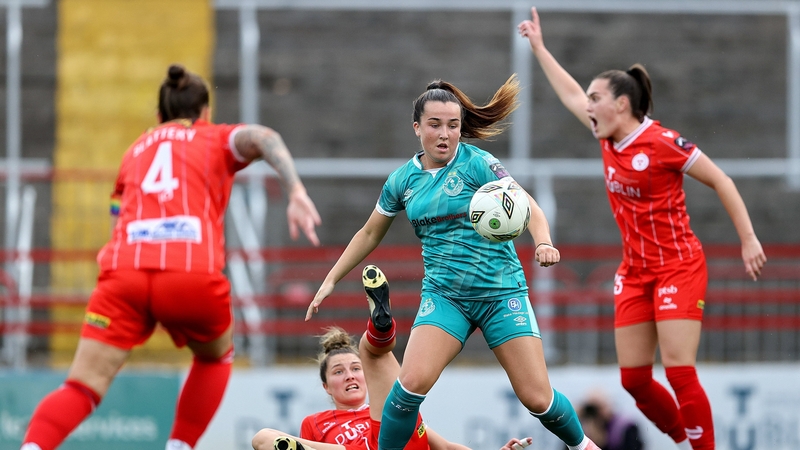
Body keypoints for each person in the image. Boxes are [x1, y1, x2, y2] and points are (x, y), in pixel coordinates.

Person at [19, 64, 322, 450]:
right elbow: (264, 137)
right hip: (190, 273)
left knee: (82, 386)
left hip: (124, 273)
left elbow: (117, 215)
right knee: (215, 357)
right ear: (205, 113)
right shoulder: (213, 137)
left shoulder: (134, 152)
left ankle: (32, 446)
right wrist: (294, 189)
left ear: (160, 116)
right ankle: (179, 446)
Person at [518, 8, 767, 450]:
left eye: (596, 98)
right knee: (633, 378)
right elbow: (570, 93)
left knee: (678, 369)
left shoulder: (662, 143)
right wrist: (539, 48)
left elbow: (721, 180)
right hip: (634, 272)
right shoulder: (606, 135)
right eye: (590, 99)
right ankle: (682, 436)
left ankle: (701, 446)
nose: (587, 105)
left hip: (678, 267)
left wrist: (748, 238)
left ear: (621, 105)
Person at [306, 76, 599, 450]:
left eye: (453, 125)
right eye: (435, 125)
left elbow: (528, 208)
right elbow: (368, 234)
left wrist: (543, 242)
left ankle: (584, 447)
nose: (445, 134)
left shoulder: (478, 164)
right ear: (416, 128)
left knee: (537, 397)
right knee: (408, 386)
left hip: (500, 293)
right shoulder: (402, 181)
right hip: (447, 298)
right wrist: (331, 279)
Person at [253, 265, 528, 450]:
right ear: (325, 387)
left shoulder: (386, 410)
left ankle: (381, 327)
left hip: (396, 439)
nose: (349, 375)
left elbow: (444, 447)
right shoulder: (315, 423)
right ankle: (379, 333)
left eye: (355, 369)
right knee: (261, 438)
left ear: (366, 377)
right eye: (338, 372)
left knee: (396, 404)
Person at [573, 390, 643, 450]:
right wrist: (572, 420)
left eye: (599, 408)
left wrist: (602, 443)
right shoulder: (581, 428)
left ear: (607, 406)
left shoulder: (626, 427)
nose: (595, 413)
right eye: (592, 409)